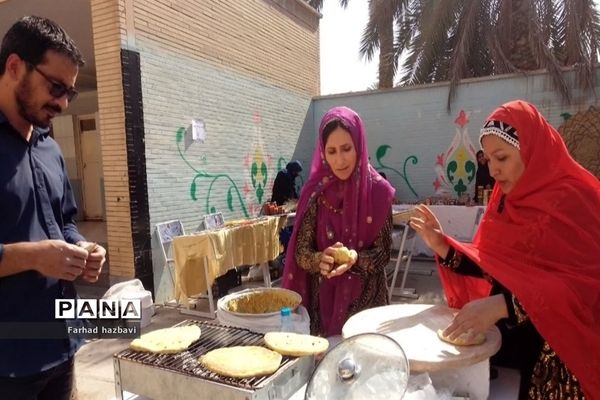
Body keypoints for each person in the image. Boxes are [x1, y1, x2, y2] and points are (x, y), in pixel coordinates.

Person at [410, 100, 599, 399]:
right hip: (511, 356)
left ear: (531, 150)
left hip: (559, 363)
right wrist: (442, 246)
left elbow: (587, 289)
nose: (494, 170)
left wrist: (507, 305)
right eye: (488, 160)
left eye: (503, 158)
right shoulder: (507, 200)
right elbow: (496, 265)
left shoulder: (578, 198)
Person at [0, 16, 107, 399]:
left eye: (70, 93)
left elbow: (63, 221)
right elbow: (38, 250)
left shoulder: (49, 147)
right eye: (55, 87)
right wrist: (31, 257)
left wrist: (81, 248)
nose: (62, 103)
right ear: (14, 67)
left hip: (61, 346)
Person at [282, 106, 395, 337]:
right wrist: (319, 260)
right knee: (324, 370)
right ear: (323, 152)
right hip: (322, 309)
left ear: (359, 146)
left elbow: (383, 253)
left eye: (346, 149)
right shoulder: (315, 192)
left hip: (368, 308)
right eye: (331, 151)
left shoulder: (378, 193)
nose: (340, 160)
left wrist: (355, 258)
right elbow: (301, 251)